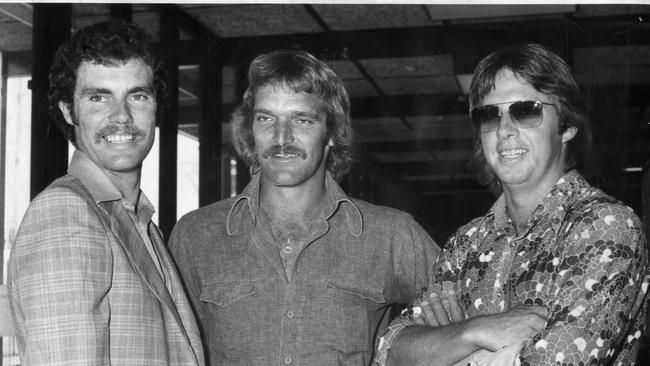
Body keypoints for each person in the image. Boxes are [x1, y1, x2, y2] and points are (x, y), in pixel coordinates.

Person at [377, 43, 649, 366]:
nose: (504, 130)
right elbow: (389, 350)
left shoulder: (607, 226)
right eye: (489, 116)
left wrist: (447, 350)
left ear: (568, 125)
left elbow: (558, 362)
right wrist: (476, 331)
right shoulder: (467, 243)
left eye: (526, 110)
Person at [168, 49, 440, 365]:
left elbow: (471, 307)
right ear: (250, 128)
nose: (281, 137)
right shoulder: (196, 235)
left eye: (302, 119)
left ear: (331, 134)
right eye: (265, 118)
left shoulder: (391, 233)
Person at [7, 21, 204, 366]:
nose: (122, 116)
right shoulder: (65, 213)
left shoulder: (137, 219)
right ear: (69, 111)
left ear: (156, 107)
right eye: (98, 97)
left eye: (137, 95)